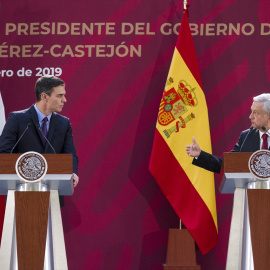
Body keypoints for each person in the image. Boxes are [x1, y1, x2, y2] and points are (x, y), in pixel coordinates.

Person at [0, 76, 79, 204]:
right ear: (44, 97)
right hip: (20, 192)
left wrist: (73, 172)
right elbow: (3, 152)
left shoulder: (64, 123)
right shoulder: (17, 119)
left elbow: (71, 154)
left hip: (52, 193)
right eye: (59, 96)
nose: (64, 100)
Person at [185, 93, 270, 173]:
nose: (250, 116)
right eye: (251, 112)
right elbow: (226, 165)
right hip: (252, 187)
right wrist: (200, 155)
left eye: (256, 113)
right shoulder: (246, 136)